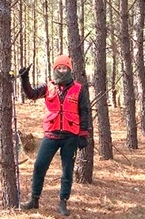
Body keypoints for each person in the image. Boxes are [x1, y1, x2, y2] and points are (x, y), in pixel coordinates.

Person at [19, 54, 90, 217]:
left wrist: (83, 134)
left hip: (70, 136)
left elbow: (84, 111)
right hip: (51, 134)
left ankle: (63, 202)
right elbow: (31, 94)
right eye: (59, 68)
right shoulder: (48, 86)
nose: (62, 70)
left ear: (70, 69)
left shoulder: (78, 89)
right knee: (39, 165)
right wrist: (24, 80)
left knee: (67, 170)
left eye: (65, 67)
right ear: (55, 69)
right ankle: (34, 199)